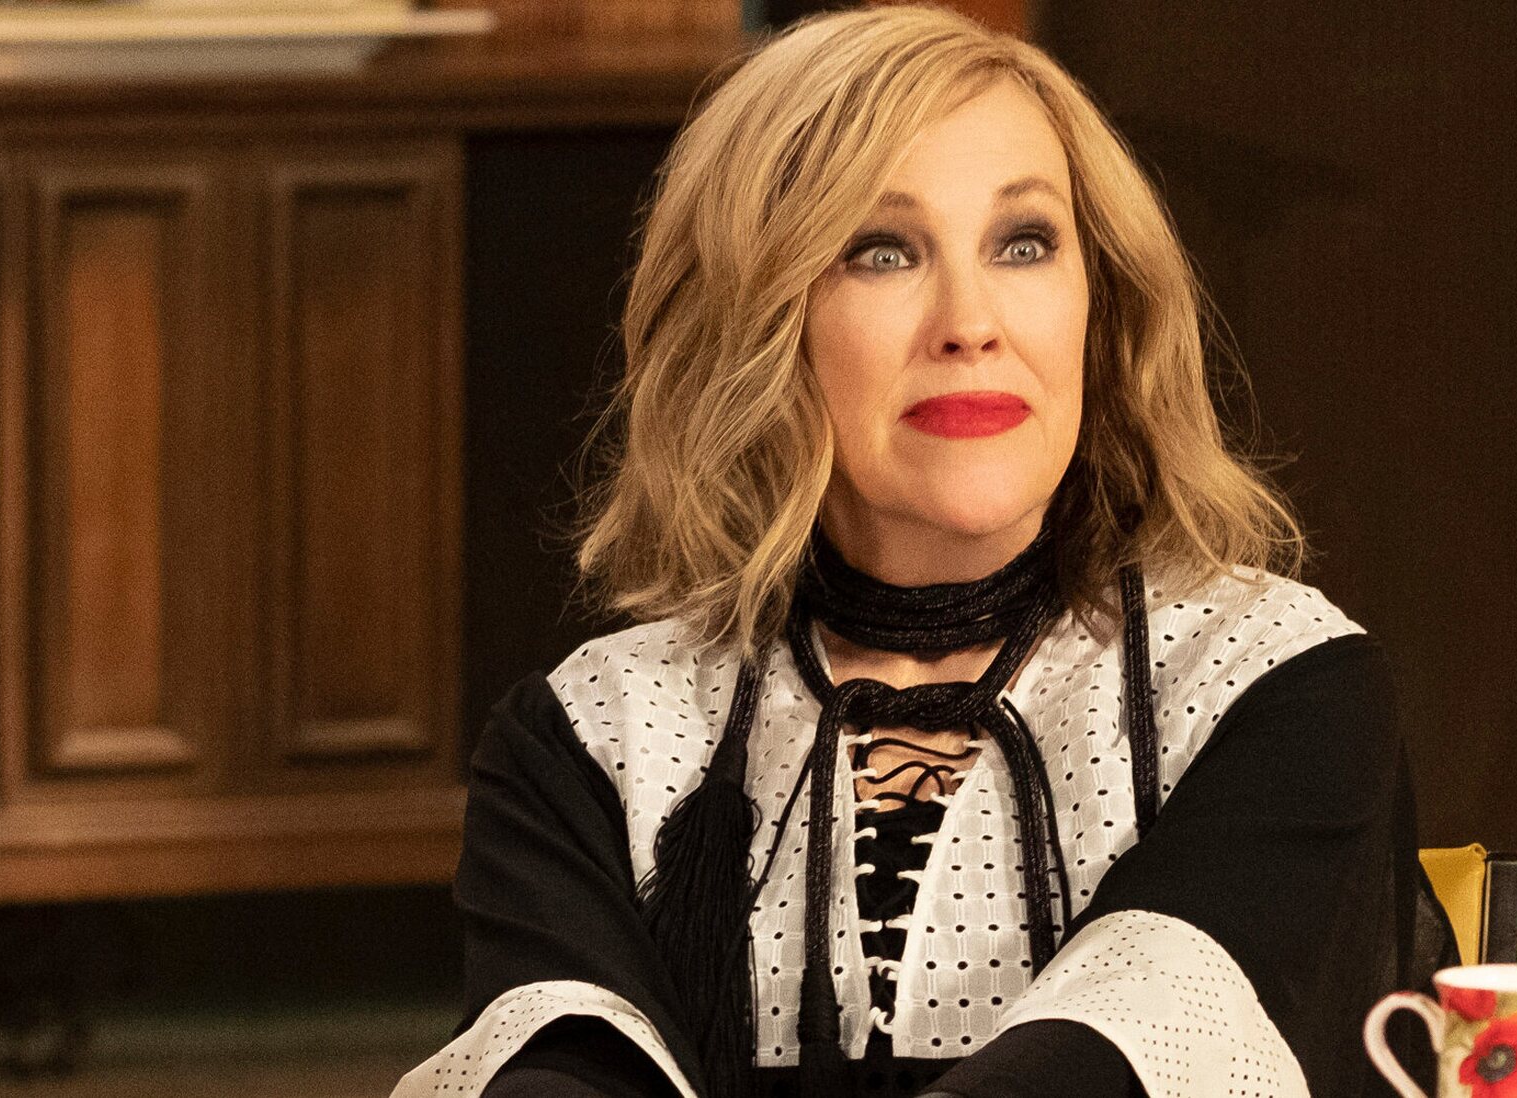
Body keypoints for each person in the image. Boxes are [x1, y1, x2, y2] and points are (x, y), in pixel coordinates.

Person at [392, 6, 1455, 1098]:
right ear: (756, 322)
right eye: (881, 251)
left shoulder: (1270, 682)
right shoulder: (592, 737)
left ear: (1102, 307)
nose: (969, 322)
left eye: (1023, 244)